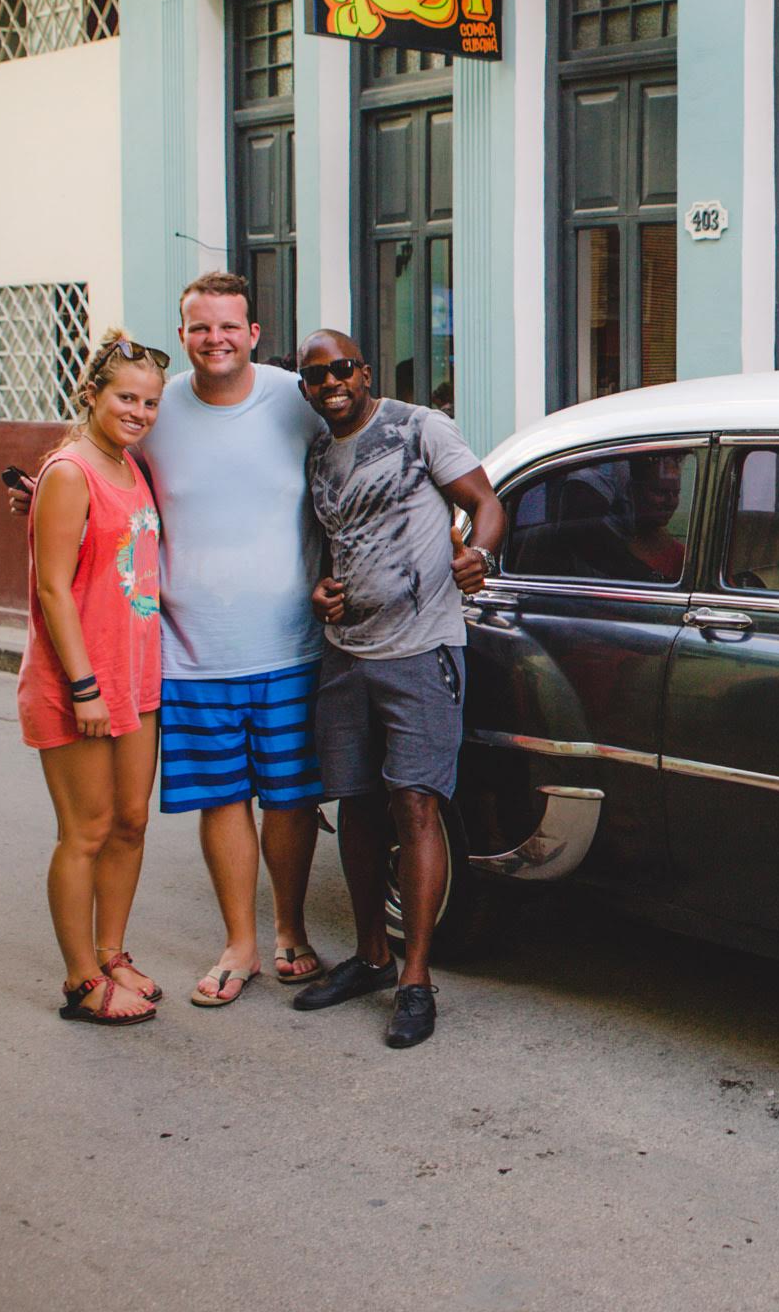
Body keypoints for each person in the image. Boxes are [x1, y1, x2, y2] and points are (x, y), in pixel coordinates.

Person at [9, 271, 329, 1008]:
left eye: (229, 326)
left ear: (252, 334)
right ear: (183, 334)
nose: (214, 339)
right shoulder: (155, 415)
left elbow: (356, 454)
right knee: (212, 802)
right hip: (186, 652)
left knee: (275, 801)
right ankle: (231, 946)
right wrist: (43, 499)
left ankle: (286, 933)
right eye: (199, 327)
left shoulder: (295, 399)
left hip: (282, 644)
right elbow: (77, 505)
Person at [290, 329, 504, 1048]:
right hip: (346, 653)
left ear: (365, 369)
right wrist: (321, 591)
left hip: (420, 651)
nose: (331, 384)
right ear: (307, 390)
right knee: (355, 804)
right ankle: (371, 956)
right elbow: (334, 545)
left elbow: (486, 501)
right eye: (315, 377)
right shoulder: (320, 452)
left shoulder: (419, 427)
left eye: (341, 369)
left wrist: (478, 553)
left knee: (415, 804)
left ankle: (416, 978)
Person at [19, 332, 169, 1025]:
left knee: (131, 824)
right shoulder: (71, 471)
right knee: (86, 829)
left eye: (149, 402)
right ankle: (81, 981)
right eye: (125, 398)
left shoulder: (128, 466)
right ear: (92, 396)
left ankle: (111, 953)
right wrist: (83, 688)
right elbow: (52, 589)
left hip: (136, 678)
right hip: (80, 683)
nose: (138, 412)